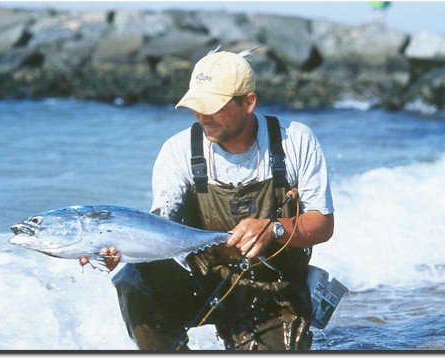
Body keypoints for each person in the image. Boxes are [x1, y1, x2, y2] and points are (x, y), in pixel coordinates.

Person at [82, 49, 334, 350]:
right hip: (196, 282)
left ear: (248, 102)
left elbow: (322, 225)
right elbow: (160, 228)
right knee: (136, 277)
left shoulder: (295, 141)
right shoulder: (178, 151)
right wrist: (118, 252)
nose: (202, 116)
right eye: (196, 106)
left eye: (213, 107)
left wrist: (273, 228)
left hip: (274, 291)